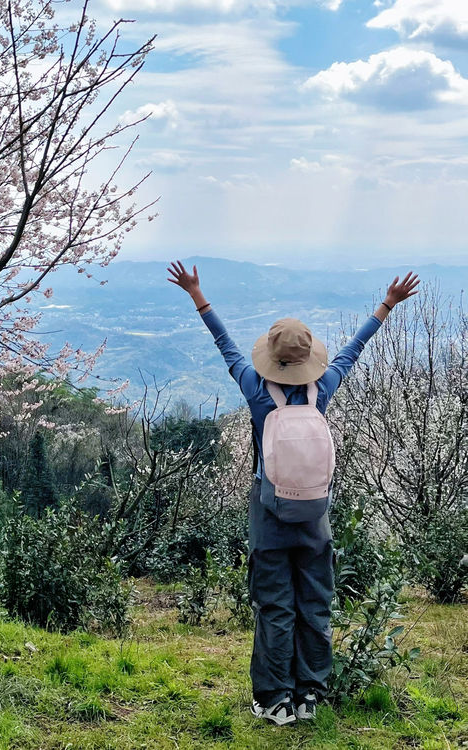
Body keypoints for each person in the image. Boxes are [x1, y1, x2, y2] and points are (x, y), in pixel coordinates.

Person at [167, 261, 419, 726]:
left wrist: (196, 294)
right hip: (314, 513)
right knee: (315, 603)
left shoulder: (257, 392)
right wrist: (387, 304)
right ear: (307, 360)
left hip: (269, 510)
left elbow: (226, 346)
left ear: (271, 358)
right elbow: (352, 351)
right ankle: (309, 695)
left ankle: (275, 700)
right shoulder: (321, 388)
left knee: (275, 606)